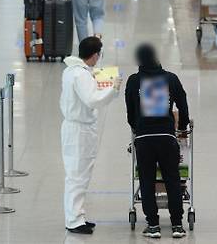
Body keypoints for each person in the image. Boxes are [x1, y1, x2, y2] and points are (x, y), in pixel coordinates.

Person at [125, 44, 189, 239]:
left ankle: (153, 225)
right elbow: (183, 103)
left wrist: (136, 127)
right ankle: (177, 224)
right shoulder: (170, 78)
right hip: (167, 137)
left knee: (146, 179)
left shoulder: (134, 80)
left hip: (144, 139)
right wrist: (182, 126)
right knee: (172, 179)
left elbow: (129, 110)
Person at [60, 37, 122, 234]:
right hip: (79, 131)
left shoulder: (72, 71)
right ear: (95, 55)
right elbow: (92, 100)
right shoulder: (81, 75)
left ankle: (77, 215)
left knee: (78, 175)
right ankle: (74, 220)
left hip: (75, 128)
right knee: (77, 176)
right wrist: (113, 89)